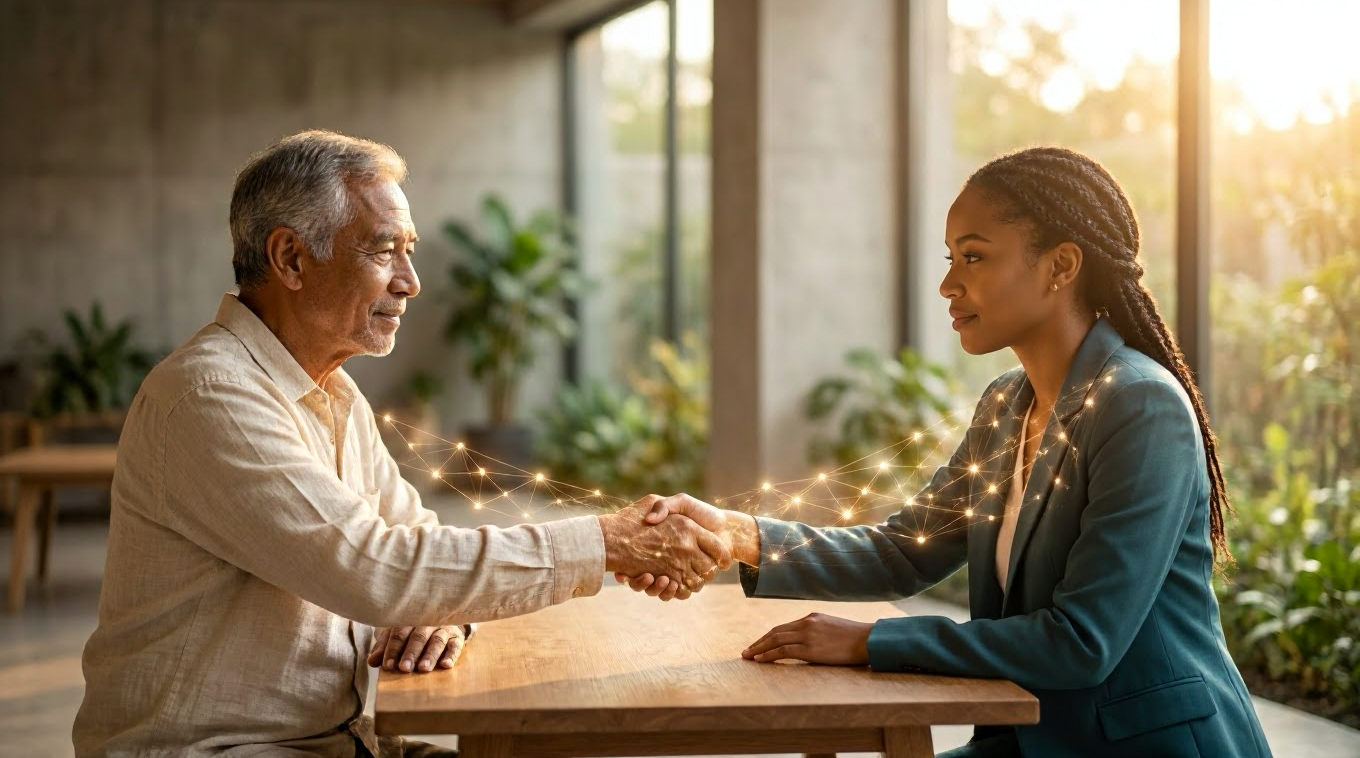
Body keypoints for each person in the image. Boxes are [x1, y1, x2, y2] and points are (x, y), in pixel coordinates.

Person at [73, 130, 729, 758]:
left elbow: (416, 543)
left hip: (340, 743)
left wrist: (446, 614)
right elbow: (376, 569)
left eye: (408, 251)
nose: (410, 281)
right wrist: (607, 542)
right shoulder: (210, 395)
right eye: (385, 251)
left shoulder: (333, 392)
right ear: (291, 258)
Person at [624, 147, 1273, 757]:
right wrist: (735, 533)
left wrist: (870, 641)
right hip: (1027, 742)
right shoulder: (1007, 405)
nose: (947, 285)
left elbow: (1082, 641)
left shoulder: (1139, 406)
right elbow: (905, 551)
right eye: (950, 258)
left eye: (974, 257)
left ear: (1061, 266)